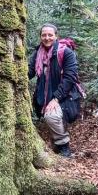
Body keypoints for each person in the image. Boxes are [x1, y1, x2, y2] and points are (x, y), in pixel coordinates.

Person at [28, 23, 82, 157]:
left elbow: (70, 77)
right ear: (40, 37)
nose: (47, 38)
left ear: (56, 36)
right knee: (50, 117)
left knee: (51, 116)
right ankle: (56, 142)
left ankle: (64, 146)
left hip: (65, 95)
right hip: (45, 96)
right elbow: (30, 71)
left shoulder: (65, 52)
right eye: (44, 35)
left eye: (50, 35)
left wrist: (56, 98)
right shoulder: (38, 53)